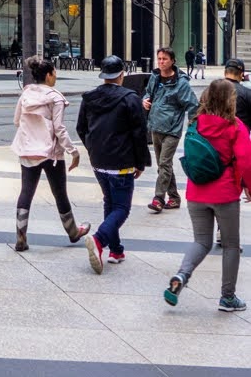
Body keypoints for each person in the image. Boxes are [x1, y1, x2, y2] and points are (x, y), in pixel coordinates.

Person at [164, 79, 251, 312]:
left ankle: (182, 275)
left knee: (201, 241)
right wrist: (249, 187)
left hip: (196, 192)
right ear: (230, 100)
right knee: (231, 245)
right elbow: (246, 161)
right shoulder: (235, 126)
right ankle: (227, 298)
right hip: (224, 194)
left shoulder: (196, 123)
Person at [77, 54, 150, 272]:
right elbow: (139, 133)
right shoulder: (131, 98)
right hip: (122, 160)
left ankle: (116, 250)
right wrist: (141, 162)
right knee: (121, 208)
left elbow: (81, 128)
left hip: (98, 160)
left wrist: (92, 148)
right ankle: (99, 239)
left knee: (110, 203)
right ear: (121, 75)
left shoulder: (89, 97)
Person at [11, 55, 90, 251]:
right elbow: (59, 129)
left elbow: (16, 121)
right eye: (54, 72)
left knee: (26, 192)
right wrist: (74, 151)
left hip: (28, 150)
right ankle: (73, 231)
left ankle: (21, 236)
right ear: (48, 75)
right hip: (51, 153)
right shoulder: (55, 97)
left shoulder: (26, 94)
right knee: (60, 193)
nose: (55, 76)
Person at [143, 46, 199, 213]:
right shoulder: (155, 77)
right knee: (163, 166)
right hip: (155, 126)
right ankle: (174, 197)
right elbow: (147, 94)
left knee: (164, 164)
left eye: (165, 59)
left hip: (172, 130)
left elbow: (193, 105)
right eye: (159, 59)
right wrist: (145, 100)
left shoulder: (181, 83)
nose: (161, 62)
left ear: (173, 61)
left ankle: (158, 198)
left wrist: (193, 128)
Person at [224, 58, 251, 134]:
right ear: (241, 75)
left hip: (214, 138)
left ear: (225, 73)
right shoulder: (247, 93)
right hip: (240, 136)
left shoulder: (210, 90)